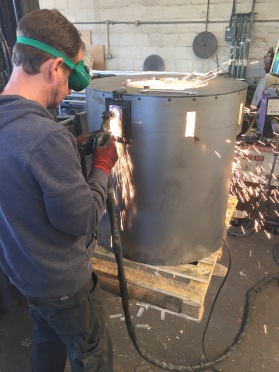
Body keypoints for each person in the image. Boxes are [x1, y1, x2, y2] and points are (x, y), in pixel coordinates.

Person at [0, 8, 118, 372]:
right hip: (62, 281)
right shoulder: (45, 138)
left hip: (25, 273)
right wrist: (101, 167)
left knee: (47, 335)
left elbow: (24, 181)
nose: (68, 90)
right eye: (70, 77)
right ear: (54, 67)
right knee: (91, 350)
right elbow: (81, 219)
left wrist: (68, 149)